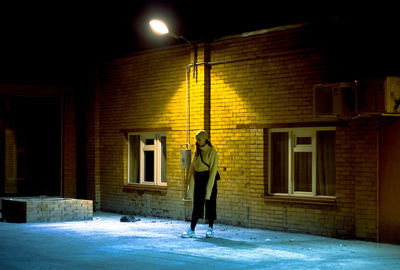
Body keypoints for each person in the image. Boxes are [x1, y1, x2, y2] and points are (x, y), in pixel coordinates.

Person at [181, 130, 219, 238]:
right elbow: (192, 169)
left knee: (210, 204)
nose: (197, 141)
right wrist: (190, 185)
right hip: (199, 180)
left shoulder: (212, 152)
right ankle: (192, 229)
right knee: (197, 205)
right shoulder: (197, 152)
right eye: (196, 139)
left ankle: (210, 229)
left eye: (199, 139)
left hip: (208, 180)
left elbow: (213, 171)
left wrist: (209, 187)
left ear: (205, 139)